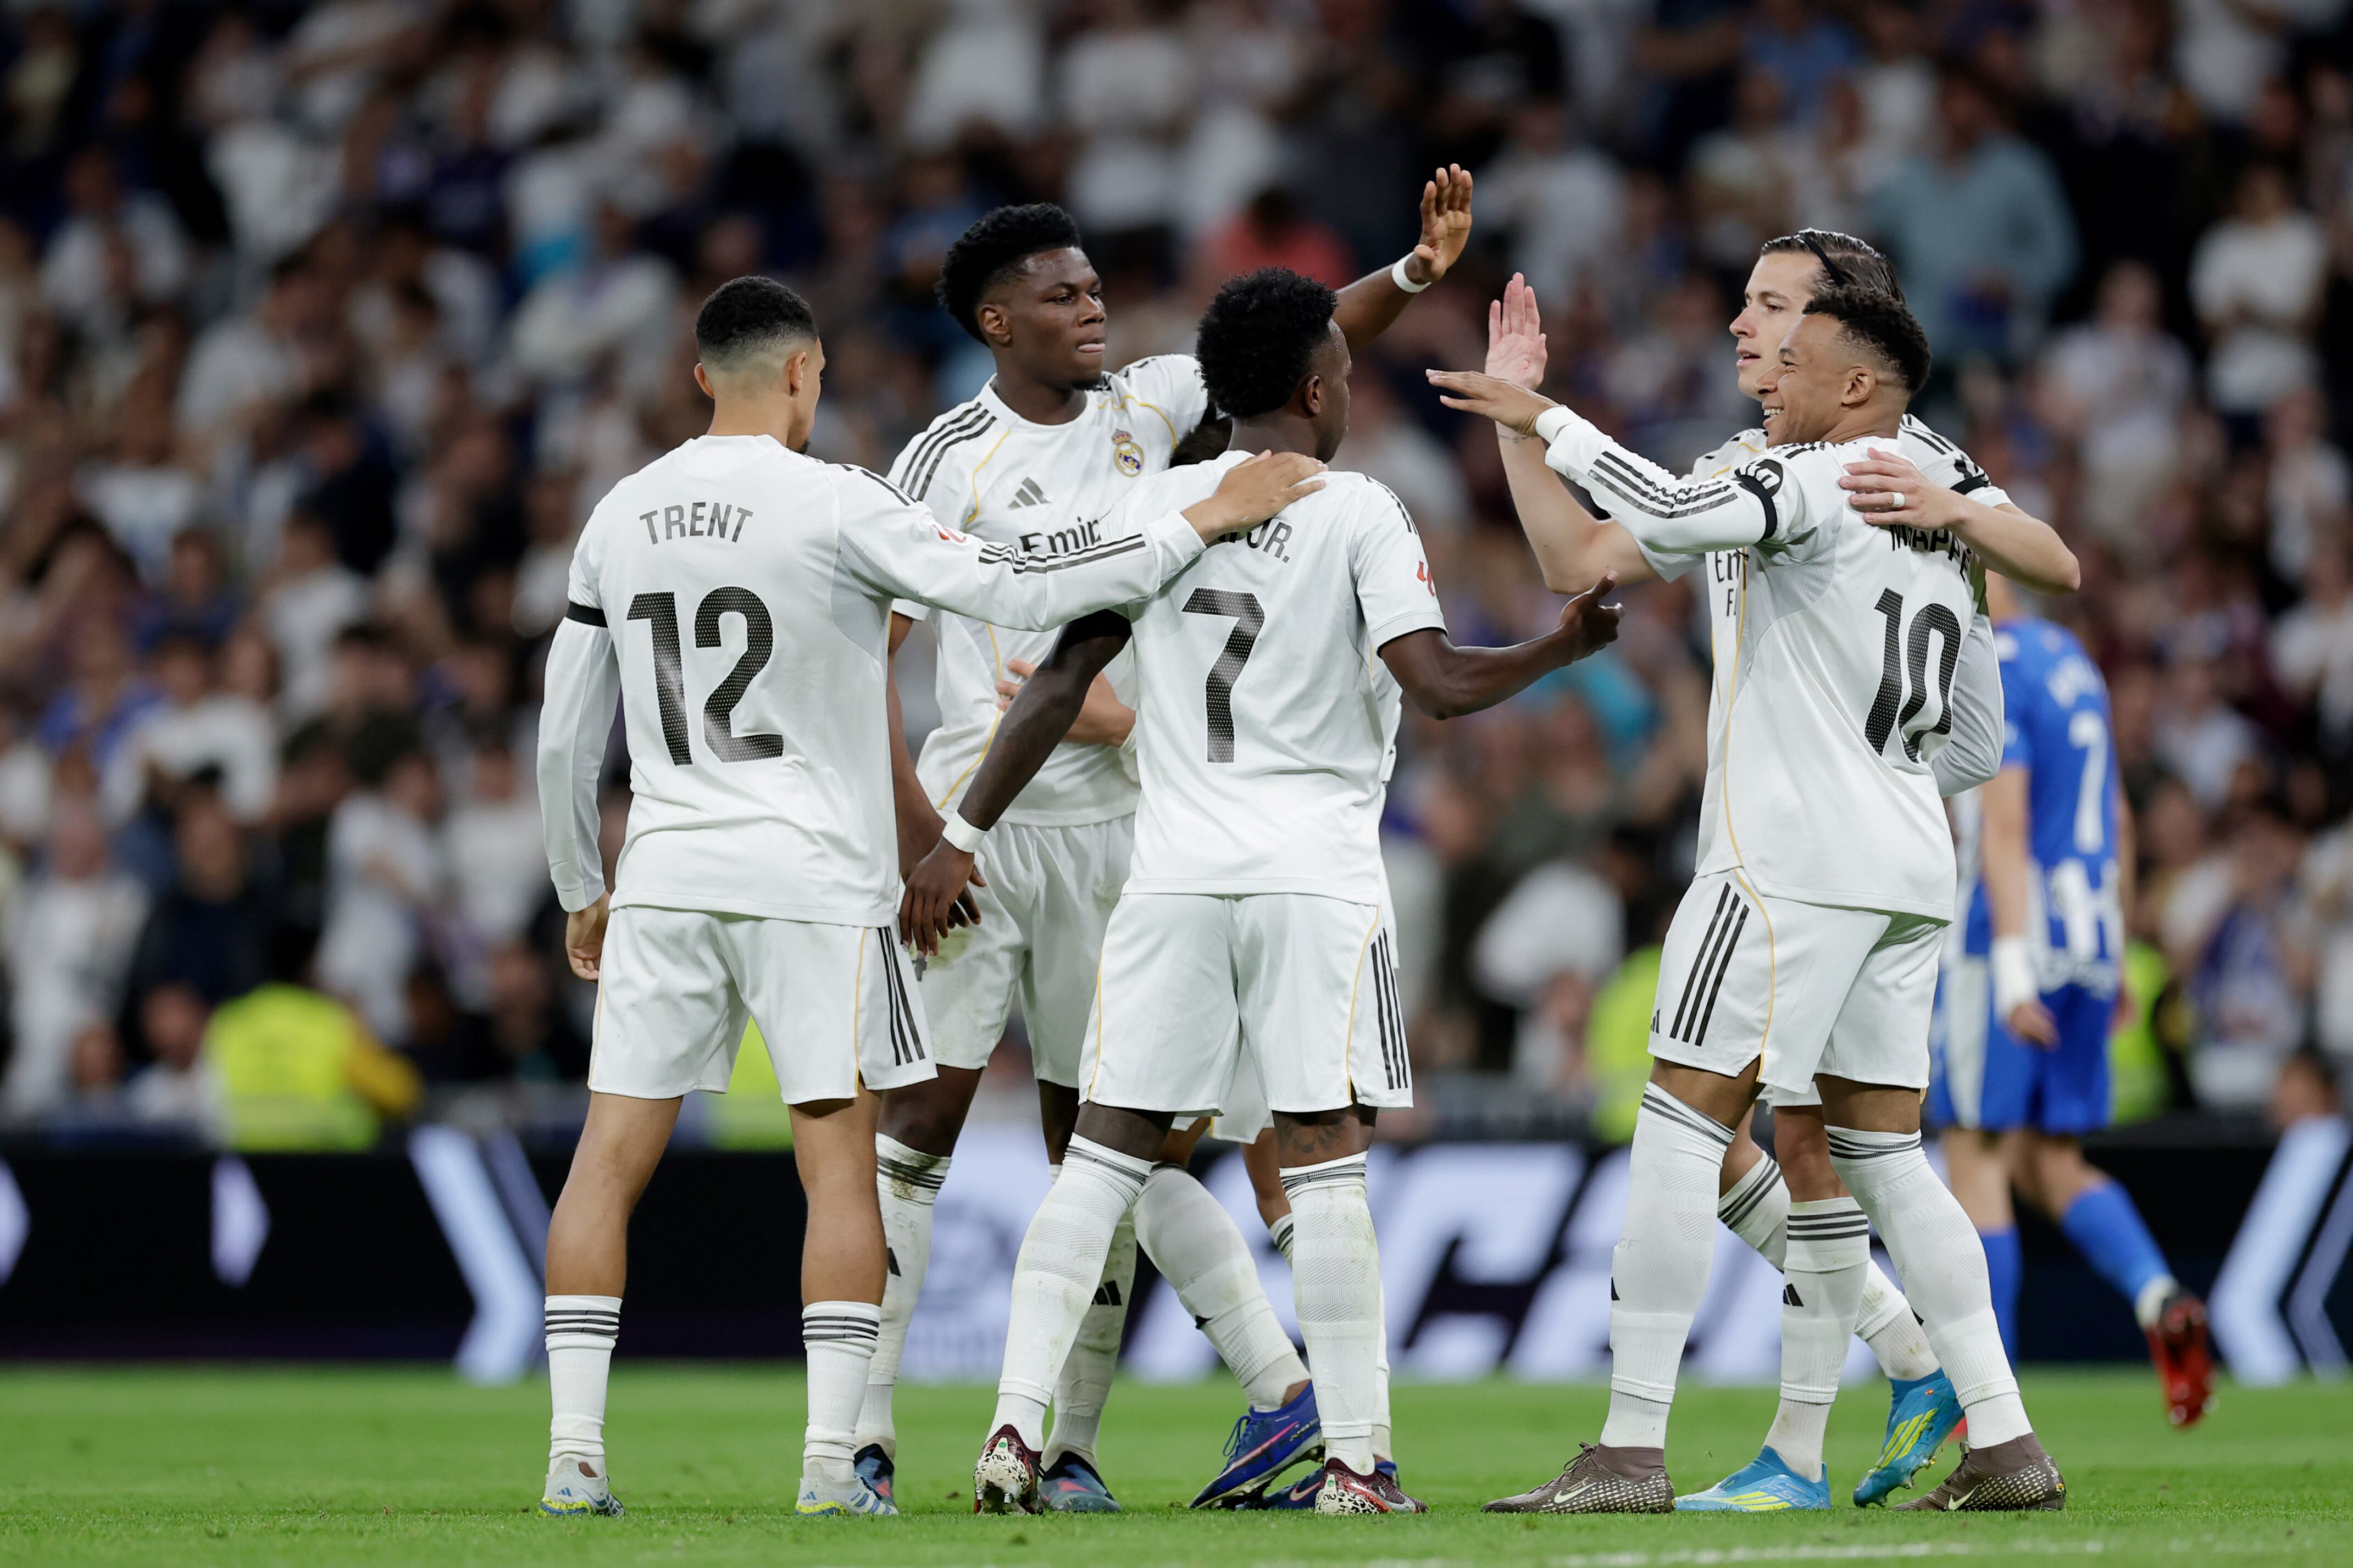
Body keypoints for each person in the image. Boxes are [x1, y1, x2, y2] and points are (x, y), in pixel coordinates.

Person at [530, 275, 1321, 1521]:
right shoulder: (839, 503)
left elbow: (564, 729)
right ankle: (833, 1462)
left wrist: (585, 883)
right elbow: (1017, 594)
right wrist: (1202, 516)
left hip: (670, 866)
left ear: (702, 376)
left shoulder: (619, 512)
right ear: (805, 372)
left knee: (607, 1159)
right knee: (846, 1165)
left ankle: (573, 1456)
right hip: (809, 876)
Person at [900, 266, 1621, 1515]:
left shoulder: (1164, 503)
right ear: (1314, 389)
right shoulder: (1362, 512)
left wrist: (963, 823)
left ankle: (1012, 1437)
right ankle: (1356, 1460)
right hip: (1311, 878)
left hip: (1170, 877)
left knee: (1098, 1162)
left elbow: (1058, 679)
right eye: (1342, 372)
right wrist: (1555, 647)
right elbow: (1437, 683)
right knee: (1325, 1159)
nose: (1349, 391)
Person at [1468, 235, 2075, 1508]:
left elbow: (1677, 521)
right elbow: (1972, 734)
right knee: (1880, 1151)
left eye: (1775, 312)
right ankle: (2000, 1435)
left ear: (1849, 349)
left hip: (1783, 857)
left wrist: (1543, 413)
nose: (1749, 329)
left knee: (1684, 1119)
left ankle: (1631, 1445)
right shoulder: (1935, 480)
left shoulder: (1802, 470)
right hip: (1908, 857)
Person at [1933, 575, 2214, 1426]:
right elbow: (2117, 818)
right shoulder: (2072, 660)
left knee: (1974, 1157)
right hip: (2090, 931)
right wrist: (2118, 953)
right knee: (2046, 1160)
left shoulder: (1990, 665)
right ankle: (2156, 1293)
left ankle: (1991, 1411)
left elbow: (2006, 823)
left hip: (2006, 936)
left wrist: (2013, 968)